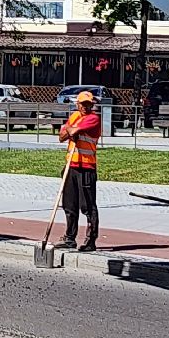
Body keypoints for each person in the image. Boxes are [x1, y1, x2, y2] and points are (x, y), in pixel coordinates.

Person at [57, 90, 101, 252]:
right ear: (78, 104)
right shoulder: (75, 116)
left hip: (86, 168)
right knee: (69, 204)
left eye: (89, 104)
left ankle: (91, 239)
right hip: (71, 167)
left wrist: (71, 129)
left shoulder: (94, 119)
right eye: (83, 104)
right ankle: (70, 237)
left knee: (87, 206)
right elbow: (61, 136)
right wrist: (70, 129)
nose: (86, 107)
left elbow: (71, 132)